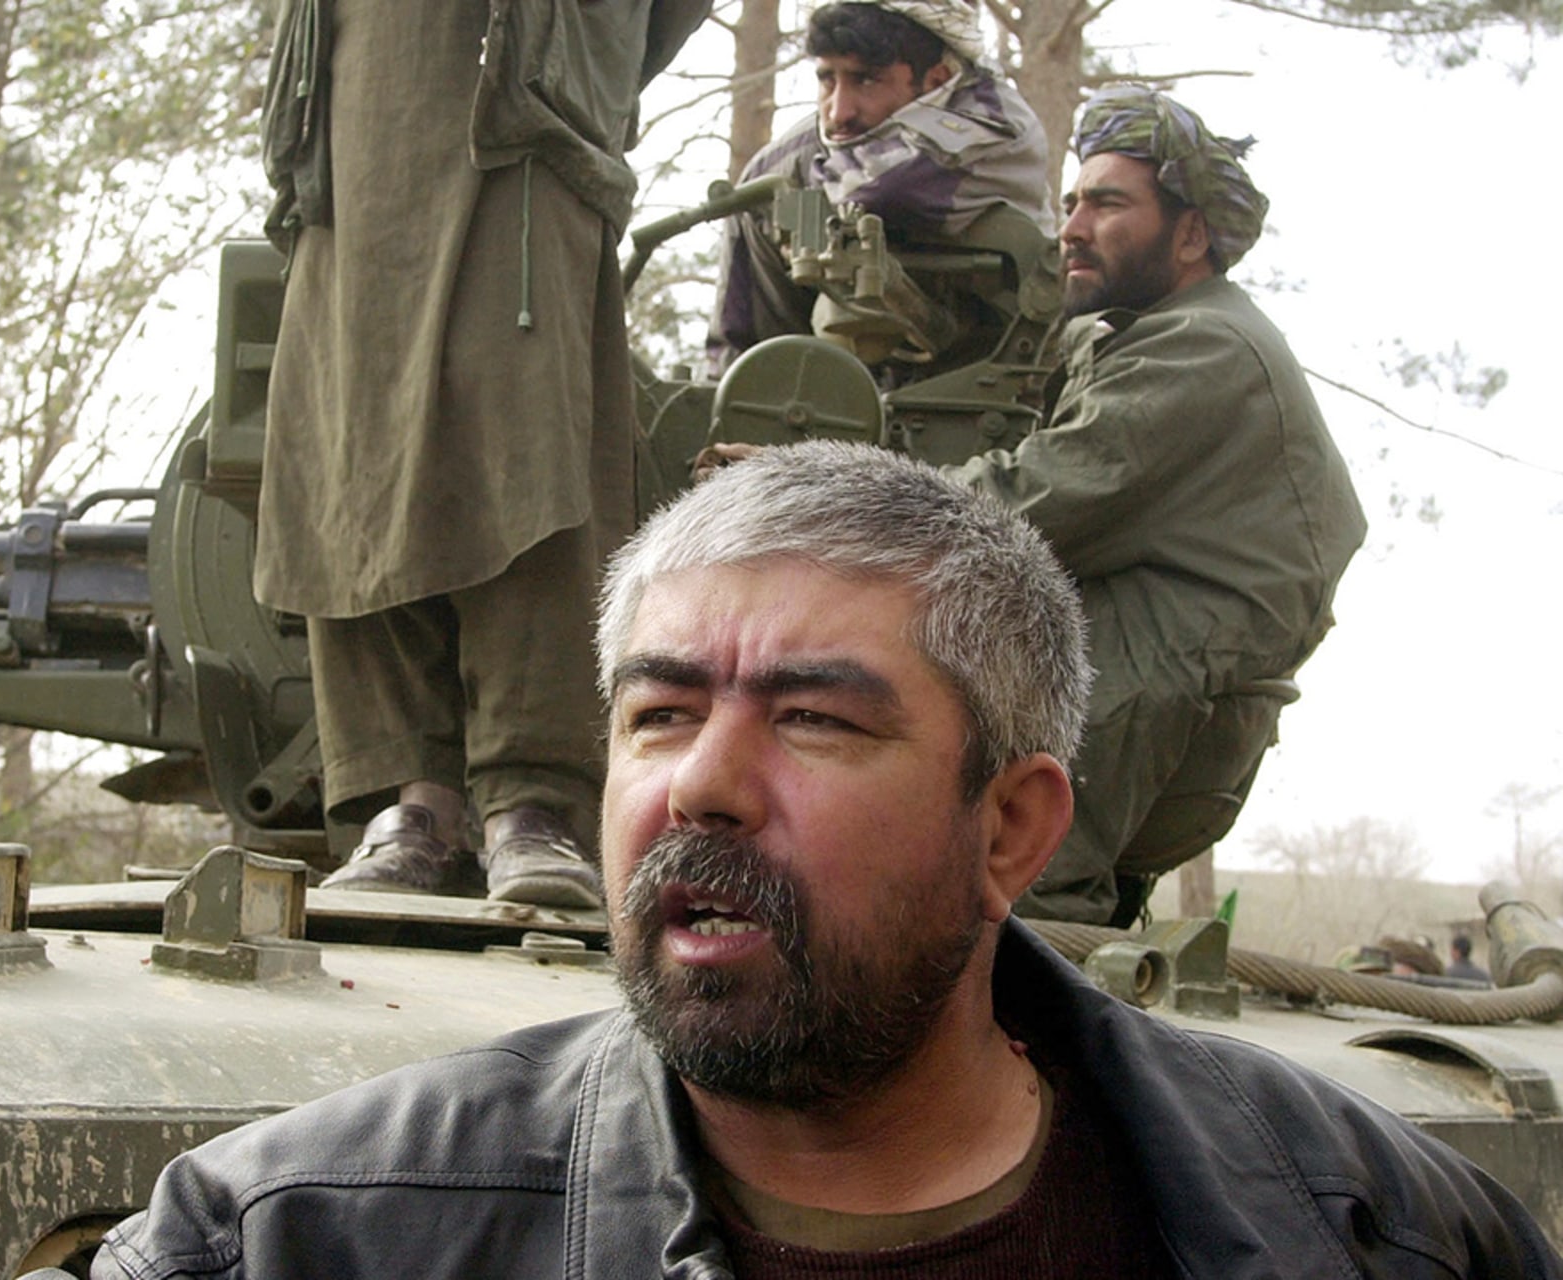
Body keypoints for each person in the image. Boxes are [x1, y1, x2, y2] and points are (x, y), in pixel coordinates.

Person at [91, 442, 1557, 1279]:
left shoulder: (1367, 1232)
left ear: (1011, 828)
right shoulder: (300, 1245)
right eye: (659, 717)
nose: (703, 791)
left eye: (813, 720)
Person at [251, 0, 710, 908]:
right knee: (351, 460)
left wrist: (585, 64)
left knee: (526, 454)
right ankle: (407, 799)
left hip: (524, 117)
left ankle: (533, 802)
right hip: (352, 121)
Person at [952, 85, 1367, 925]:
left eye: (1107, 203)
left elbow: (1037, 498)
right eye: (1072, 202)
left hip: (1140, 692)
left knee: (1025, 928)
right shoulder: (1165, 333)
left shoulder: (1203, 343)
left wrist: (835, 493)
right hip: (1139, 694)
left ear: (1190, 233)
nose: (1071, 227)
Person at [707, 0, 1054, 372]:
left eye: (866, 80)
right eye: (827, 79)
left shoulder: (996, 122)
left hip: (1010, 374)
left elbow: (885, 190)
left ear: (936, 80)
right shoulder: (783, 167)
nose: (839, 111)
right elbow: (738, 342)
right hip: (838, 392)